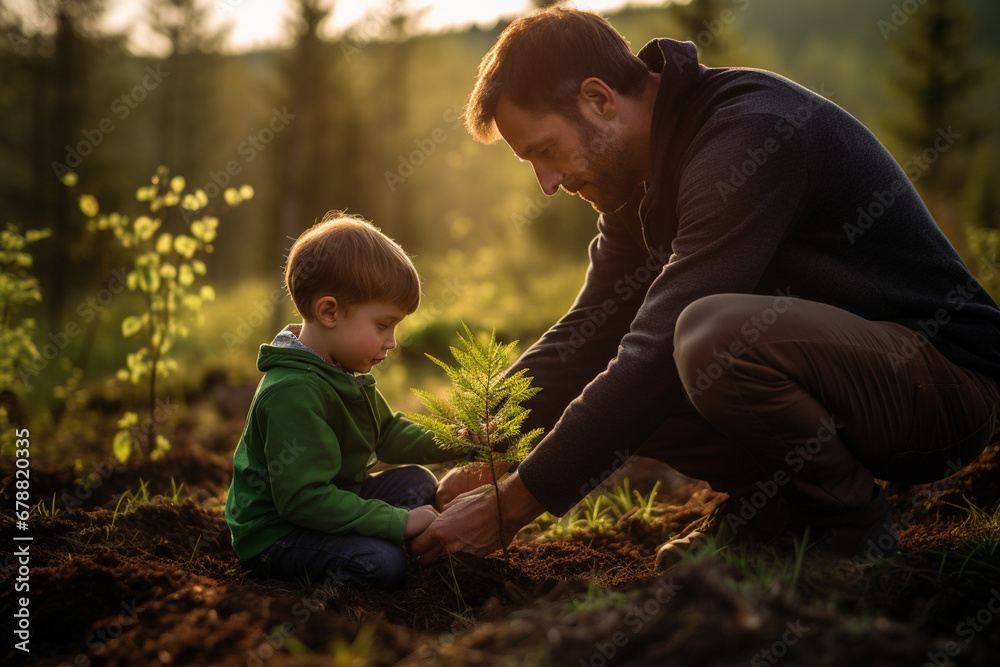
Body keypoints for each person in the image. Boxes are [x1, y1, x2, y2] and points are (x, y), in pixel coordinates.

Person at [413, 7, 1000, 567]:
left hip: (943, 390)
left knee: (706, 336)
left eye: (545, 151)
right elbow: (587, 334)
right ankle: (777, 508)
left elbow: (655, 346)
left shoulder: (748, 137)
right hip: (849, 384)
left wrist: (511, 505)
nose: (547, 182)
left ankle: (844, 525)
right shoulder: (635, 180)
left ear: (598, 99)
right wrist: (480, 447)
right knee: (623, 373)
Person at [224, 212, 474, 590]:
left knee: (418, 483)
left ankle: (368, 534)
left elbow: (387, 432)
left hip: (334, 498)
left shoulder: (339, 371)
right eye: (382, 325)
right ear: (329, 312)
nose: (391, 341)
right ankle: (362, 550)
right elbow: (303, 500)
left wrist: (455, 438)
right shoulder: (291, 392)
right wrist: (397, 523)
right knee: (382, 563)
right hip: (279, 532)